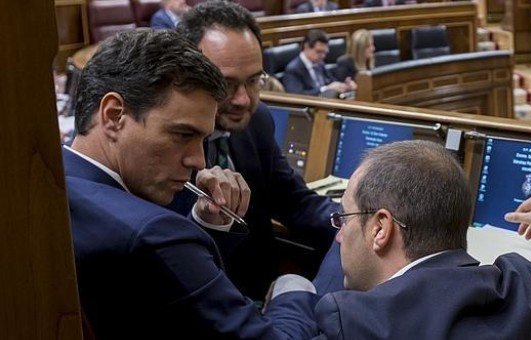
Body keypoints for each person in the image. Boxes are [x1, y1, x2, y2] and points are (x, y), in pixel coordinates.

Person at [66, 29, 320, 339]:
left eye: (203, 139)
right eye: (183, 135)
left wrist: (204, 224)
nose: (199, 161)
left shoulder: (49, 185)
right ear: (114, 115)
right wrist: (293, 289)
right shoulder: (156, 233)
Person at [313, 140, 531, 339]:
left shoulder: (349, 325)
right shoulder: (526, 305)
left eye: (344, 218)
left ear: (381, 228)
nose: (339, 235)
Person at [176, 1, 339, 300]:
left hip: (264, 290)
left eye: (253, 81)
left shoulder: (258, 120)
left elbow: (294, 201)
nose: (243, 100)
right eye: (225, 84)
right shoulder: (163, 144)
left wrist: (355, 221)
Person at [282, 29, 357, 97]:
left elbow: (330, 81)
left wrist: (344, 85)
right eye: (319, 52)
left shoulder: (320, 63)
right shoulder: (293, 69)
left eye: (325, 52)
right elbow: (297, 96)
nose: (323, 56)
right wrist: (326, 89)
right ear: (306, 47)